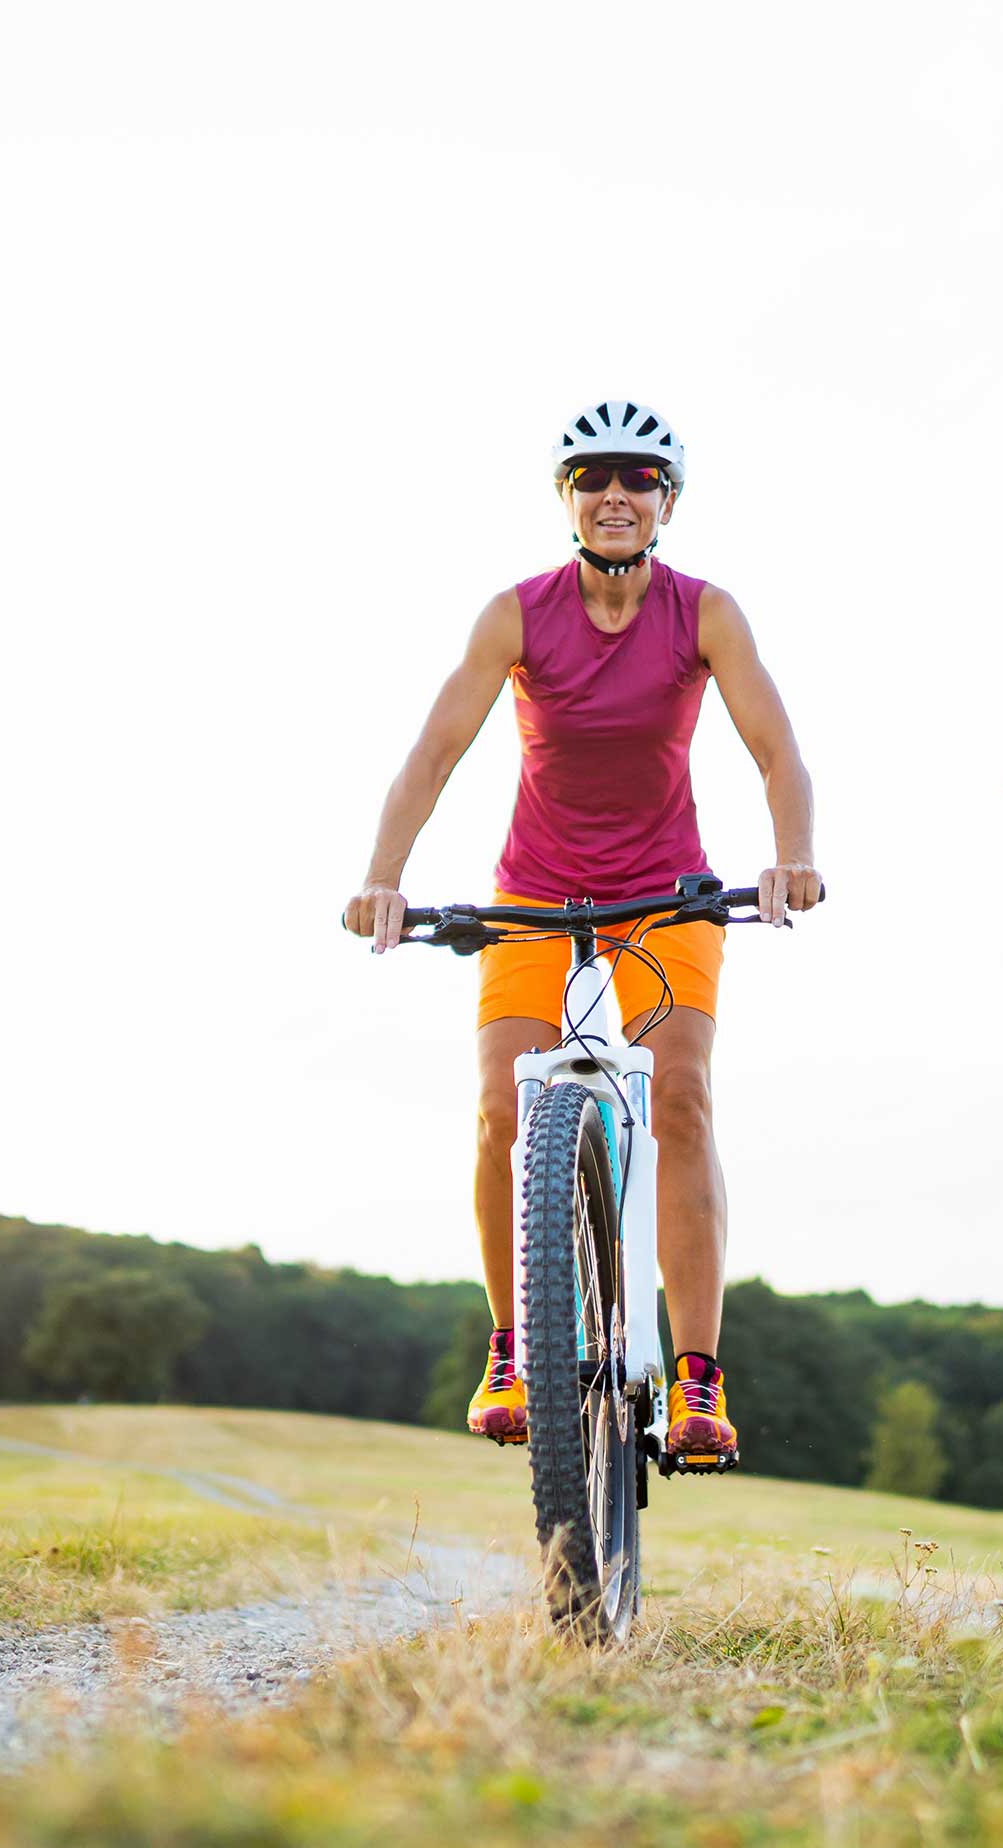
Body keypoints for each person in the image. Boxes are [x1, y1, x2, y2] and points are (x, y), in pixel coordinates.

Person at [345, 398, 821, 1458]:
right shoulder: (516, 613)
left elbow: (775, 749)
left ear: (666, 500)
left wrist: (790, 854)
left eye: (639, 477)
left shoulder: (705, 612)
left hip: (666, 895)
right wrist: (384, 877)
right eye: (594, 476)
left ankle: (696, 1374)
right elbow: (434, 751)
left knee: (682, 1097)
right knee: (498, 1110)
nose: (616, 492)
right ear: (566, 497)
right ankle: (515, 1344)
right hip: (533, 896)